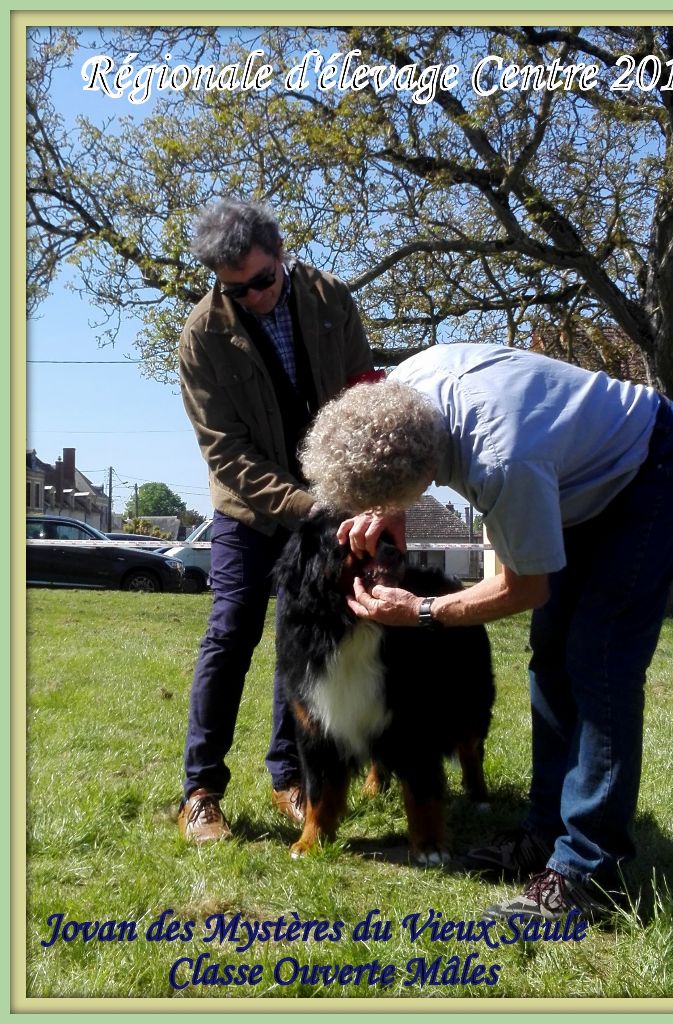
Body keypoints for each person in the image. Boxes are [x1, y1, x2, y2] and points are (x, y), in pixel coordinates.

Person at [299, 342, 673, 922]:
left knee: (598, 658)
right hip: (573, 473)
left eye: (389, 504)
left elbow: (526, 589)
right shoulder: (404, 389)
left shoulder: (501, 463)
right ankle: (546, 834)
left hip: (654, 466)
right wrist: (384, 512)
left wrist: (421, 611)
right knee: (552, 653)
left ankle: (588, 875)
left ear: (419, 479)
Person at [176, 198, 379, 842]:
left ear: (280, 255)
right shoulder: (202, 336)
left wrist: (359, 492)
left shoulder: (329, 300)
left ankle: (289, 777)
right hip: (249, 510)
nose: (253, 296)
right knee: (233, 630)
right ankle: (200, 792)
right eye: (235, 288)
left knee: (306, 641)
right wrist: (301, 504)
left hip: (329, 500)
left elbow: (362, 394)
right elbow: (226, 453)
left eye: (262, 281)